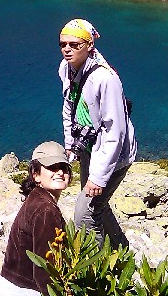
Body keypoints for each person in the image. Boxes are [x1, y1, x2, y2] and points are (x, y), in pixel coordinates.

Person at [58, 18, 136, 249]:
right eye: (63, 44)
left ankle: (96, 263)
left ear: (89, 45)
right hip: (89, 147)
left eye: (74, 44)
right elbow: (69, 106)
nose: (67, 49)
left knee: (85, 212)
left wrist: (99, 176)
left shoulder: (105, 79)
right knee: (96, 205)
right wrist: (70, 143)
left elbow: (115, 130)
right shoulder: (66, 68)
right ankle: (121, 249)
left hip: (113, 155)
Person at [0, 141, 71, 296]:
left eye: (63, 168)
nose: (60, 172)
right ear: (36, 175)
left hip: (13, 295)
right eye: (52, 167)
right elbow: (45, 266)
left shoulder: (36, 198)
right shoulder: (46, 211)